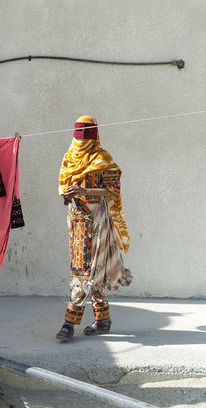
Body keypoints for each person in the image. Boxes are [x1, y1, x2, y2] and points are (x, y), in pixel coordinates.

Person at [56, 115, 133, 342]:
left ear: (94, 136)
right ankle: (103, 319)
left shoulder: (103, 158)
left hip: (98, 220)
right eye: (78, 138)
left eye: (85, 139)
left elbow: (113, 191)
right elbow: (64, 192)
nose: (81, 144)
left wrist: (85, 192)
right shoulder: (69, 158)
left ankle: (69, 324)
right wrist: (68, 195)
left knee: (89, 271)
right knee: (83, 269)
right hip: (76, 221)